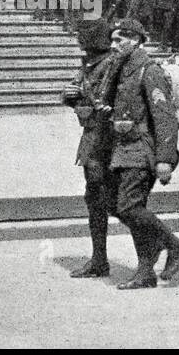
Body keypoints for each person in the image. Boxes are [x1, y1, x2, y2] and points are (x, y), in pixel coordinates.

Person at [98, 18, 179, 289]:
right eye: (112, 40)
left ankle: (174, 244)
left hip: (142, 149)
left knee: (128, 206)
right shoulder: (122, 69)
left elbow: (164, 118)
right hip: (122, 149)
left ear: (135, 40)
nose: (114, 45)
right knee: (122, 206)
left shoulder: (149, 71)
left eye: (120, 40)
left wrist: (165, 159)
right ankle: (146, 271)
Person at [61, 20, 116, 278]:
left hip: (110, 138)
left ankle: (163, 243)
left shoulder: (111, 65)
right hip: (92, 137)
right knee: (95, 199)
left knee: (115, 202)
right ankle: (99, 258)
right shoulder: (89, 65)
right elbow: (76, 90)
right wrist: (70, 96)